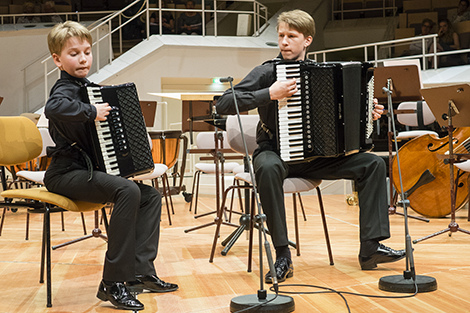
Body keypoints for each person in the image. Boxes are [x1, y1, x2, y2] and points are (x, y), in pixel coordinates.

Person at [216, 9, 406, 284]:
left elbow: (343, 117)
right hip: (275, 151)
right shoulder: (268, 71)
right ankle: (282, 255)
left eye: (291, 36)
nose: (283, 42)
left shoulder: (327, 74)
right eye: (281, 35)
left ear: (307, 40)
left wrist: (366, 113)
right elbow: (224, 103)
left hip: (314, 158)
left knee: (373, 164)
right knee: (266, 169)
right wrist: (270, 93)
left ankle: (370, 248)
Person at [44, 21, 178, 311]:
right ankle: (113, 282)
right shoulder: (64, 89)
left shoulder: (87, 88)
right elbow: (53, 108)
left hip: (88, 171)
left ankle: (140, 273)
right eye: (73, 54)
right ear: (57, 59)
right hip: (64, 173)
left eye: (87, 52)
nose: (82, 59)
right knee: (128, 191)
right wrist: (91, 111)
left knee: (150, 196)